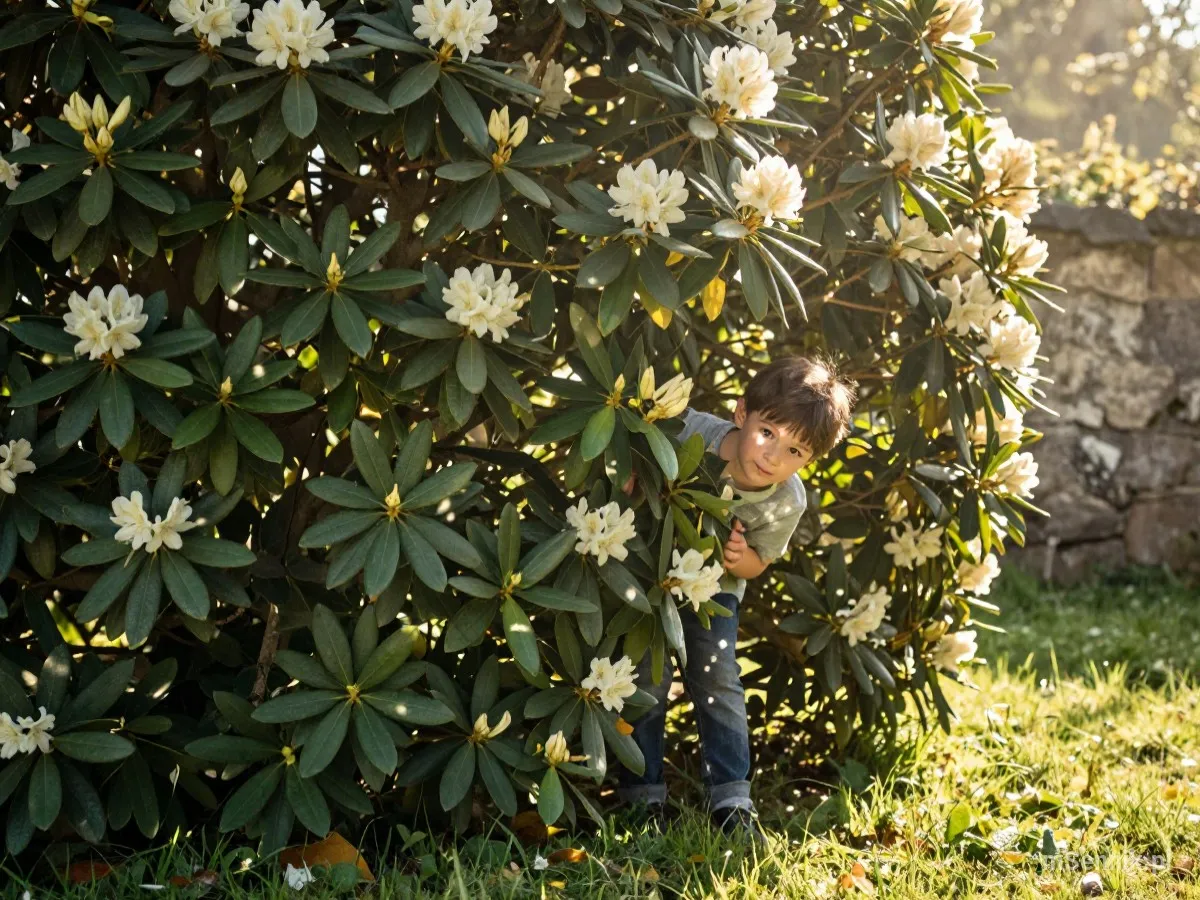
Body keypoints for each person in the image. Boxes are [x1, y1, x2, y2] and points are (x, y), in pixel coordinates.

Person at [617, 356, 857, 843]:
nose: (773, 457)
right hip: (649, 579)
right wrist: (632, 471)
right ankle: (641, 797)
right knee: (645, 681)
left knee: (720, 684)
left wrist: (739, 557)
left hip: (716, 595)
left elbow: (759, 563)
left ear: (809, 459)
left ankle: (731, 798)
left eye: (795, 451)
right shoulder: (691, 434)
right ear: (742, 413)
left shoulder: (787, 500)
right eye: (767, 432)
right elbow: (640, 438)